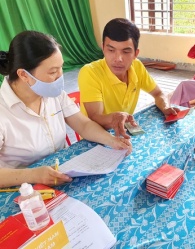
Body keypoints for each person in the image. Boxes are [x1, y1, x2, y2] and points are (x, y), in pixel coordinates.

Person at [0, 31, 132, 188]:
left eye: (61, 68)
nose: (60, 77)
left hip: (61, 174)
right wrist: (34, 174)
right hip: (23, 189)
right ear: (23, 75)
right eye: (53, 72)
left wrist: (111, 141)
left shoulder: (52, 94)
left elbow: (83, 125)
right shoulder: (4, 110)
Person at [78, 18, 179, 137]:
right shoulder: (90, 72)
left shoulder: (136, 66)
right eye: (111, 50)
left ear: (136, 54)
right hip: (96, 139)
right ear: (103, 48)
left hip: (124, 132)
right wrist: (115, 118)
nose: (118, 59)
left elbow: (158, 93)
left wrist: (166, 107)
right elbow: (95, 117)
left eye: (126, 52)